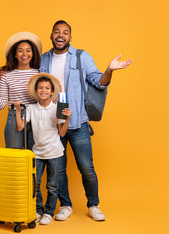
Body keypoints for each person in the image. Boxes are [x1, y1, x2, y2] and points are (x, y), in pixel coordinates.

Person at [39, 20, 133, 221]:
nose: (61, 35)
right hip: (51, 123)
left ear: (70, 37)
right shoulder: (43, 59)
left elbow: (98, 81)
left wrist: (110, 70)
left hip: (77, 121)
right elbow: (32, 83)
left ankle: (93, 204)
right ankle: (65, 205)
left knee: (86, 167)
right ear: (51, 35)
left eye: (65, 32)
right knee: (58, 169)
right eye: (57, 32)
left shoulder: (82, 56)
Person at [14, 73, 71, 225]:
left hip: (54, 153)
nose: (44, 90)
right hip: (37, 153)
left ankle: (49, 212)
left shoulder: (57, 109)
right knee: (36, 184)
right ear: (36, 91)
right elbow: (20, 127)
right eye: (40, 88)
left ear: (52, 92)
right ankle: (38, 210)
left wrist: (67, 119)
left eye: (47, 88)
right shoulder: (32, 108)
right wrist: (18, 110)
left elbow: (62, 133)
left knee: (52, 185)